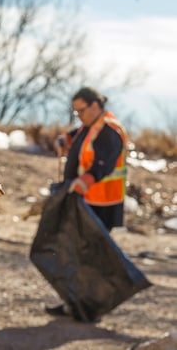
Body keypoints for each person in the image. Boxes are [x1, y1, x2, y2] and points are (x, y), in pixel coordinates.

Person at [45, 86, 128, 317]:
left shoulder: (110, 130)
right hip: (87, 202)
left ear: (94, 106)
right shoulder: (91, 125)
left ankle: (90, 308)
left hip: (102, 205)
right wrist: (65, 139)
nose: (78, 116)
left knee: (90, 258)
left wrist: (85, 180)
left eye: (80, 111)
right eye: (75, 113)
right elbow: (78, 135)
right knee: (76, 254)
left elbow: (104, 164)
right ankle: (74, 304)